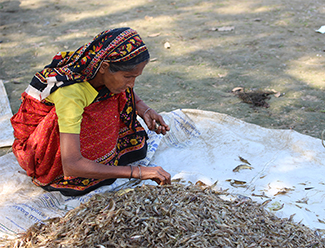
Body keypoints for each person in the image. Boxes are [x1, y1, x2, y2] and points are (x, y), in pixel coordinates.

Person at [10, 27, 171, 196]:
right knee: (101, 102)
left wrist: (143, 108)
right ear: (104, 66)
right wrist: (137, 172)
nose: (132, 84)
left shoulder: (94, 63)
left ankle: (107, 158)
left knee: (116, 94)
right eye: (128, 77)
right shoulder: (71, 93)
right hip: (43, 152)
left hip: (83, 105)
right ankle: (85, 166)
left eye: (135, 77)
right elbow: (72, 165)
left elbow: (122, 89)